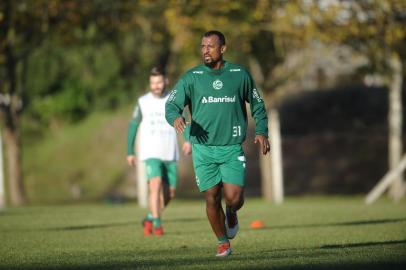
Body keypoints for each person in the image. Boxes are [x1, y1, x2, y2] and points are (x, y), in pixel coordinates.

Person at [165, 30, 270, 256]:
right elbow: (171, 105)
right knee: (211, 197)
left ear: (222, 48)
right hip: (203, 149)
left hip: (231, 147)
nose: (205, 50)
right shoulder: (191, 77)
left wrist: (261, 131)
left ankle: (231, 213)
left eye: (210, 46)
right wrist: (175, 117)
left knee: (234, 197)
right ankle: (223, 242)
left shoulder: (239, 74)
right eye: (203, 46)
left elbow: (258, 105)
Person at [127, 66, 191, 236]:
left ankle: (150, 216)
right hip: (151, 152)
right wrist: (129, 151)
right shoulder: (143, 102)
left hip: (170, 152)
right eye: (153, 83)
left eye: (159, 82)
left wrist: (188, 140)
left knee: (170, 193)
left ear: (166, 81)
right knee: (154, 187)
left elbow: (183, 121)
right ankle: (157, 225)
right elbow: (133, 125)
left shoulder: (175, 100)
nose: (155, 86)